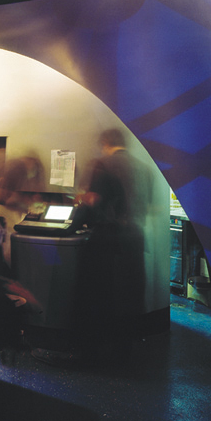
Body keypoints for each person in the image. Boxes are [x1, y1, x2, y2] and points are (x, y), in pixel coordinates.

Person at [72, 128, 153, 363]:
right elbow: (148, 206)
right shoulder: (144, 168)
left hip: (107, 240)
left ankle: (90, 352)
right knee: (128, 295)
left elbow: (92, 202)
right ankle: (122, 351)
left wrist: (77, 210)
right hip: (135, 238)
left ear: (105, 143)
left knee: (97, 294)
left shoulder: (101, 164)